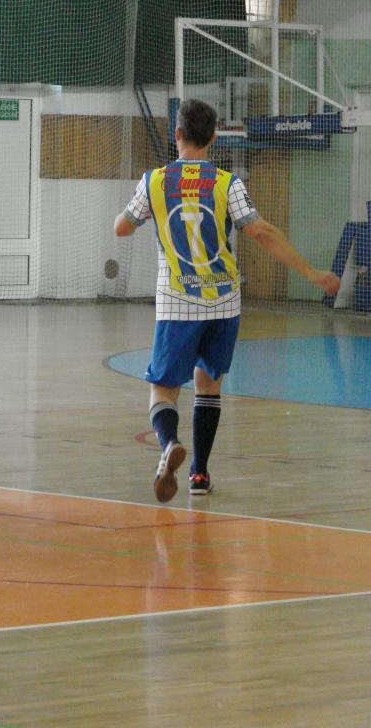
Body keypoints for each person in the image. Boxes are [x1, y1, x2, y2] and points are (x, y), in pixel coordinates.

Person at [114, 99, 340, 504]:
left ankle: (168, 444)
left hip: (178, 301)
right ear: (214, 137)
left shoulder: (155, 181)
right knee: (209, 386)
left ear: (177, 134)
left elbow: (123, 228)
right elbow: (262, 232)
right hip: (223, 302)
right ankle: (199, 474)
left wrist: (136, 215)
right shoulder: (226, 183)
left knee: (163, 389)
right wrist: (312, 274)